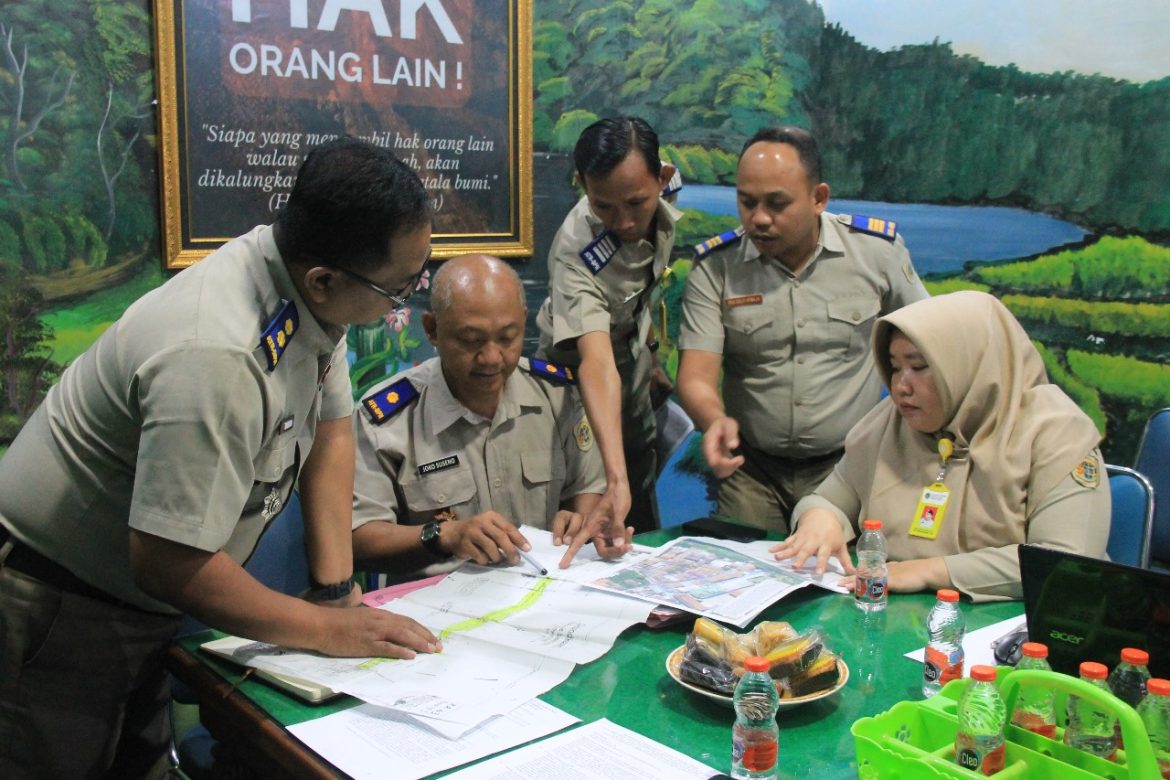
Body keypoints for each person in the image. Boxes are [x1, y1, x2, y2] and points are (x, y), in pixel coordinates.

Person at [0, 137, 442, 779]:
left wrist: (338, 592)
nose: (404, 299)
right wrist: (325, 631)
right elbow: (169, 563)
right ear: (325, 279)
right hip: (57, 608)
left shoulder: (306, 289)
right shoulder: (217, 352)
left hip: (133, 605)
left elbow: (331, 431)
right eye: (399, 289)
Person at [772, 291, 1111, 602]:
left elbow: (1066, 563)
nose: (901, 386)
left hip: (1012, 628)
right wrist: (819, 519)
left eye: (919, 367)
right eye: (894, 367)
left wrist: (931, 571)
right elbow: (831, 497)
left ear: (969, 365)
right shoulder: (887, 423)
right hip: (894, 613)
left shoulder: (1055, 431)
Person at [677, 125, 928, 533]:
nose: (758, 218)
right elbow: (696, 375)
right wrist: (713, 419)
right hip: (752, 473)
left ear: (819, 198)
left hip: (849, 466)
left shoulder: (875, 253)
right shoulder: (717, 266)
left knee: (840, 581)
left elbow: (931, 341)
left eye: (777, 204)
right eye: (747, 202)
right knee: (744, 578)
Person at [352, 254, 617, 574]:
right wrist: (444, 536)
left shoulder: (557, 396)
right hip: (437, 603)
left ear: (523, 320)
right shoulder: (386, 420)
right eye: (471, 340)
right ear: (432, 330)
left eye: (507, 337)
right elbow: (358, 540)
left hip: (544, 594)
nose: (491, 358)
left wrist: (577, 520)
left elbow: (586, 487)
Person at [535, 116, 681, 541]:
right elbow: (594, 361)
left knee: (639, 479)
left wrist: (651, 354)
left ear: (662, 178)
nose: (625, 221)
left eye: (636, 203)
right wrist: (613, 478)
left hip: (631, 360)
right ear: (582, 183)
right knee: (591, 491)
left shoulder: (664, 182)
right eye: (604, 206)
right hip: (574, 383)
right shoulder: (574, 252)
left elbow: (642, 289)